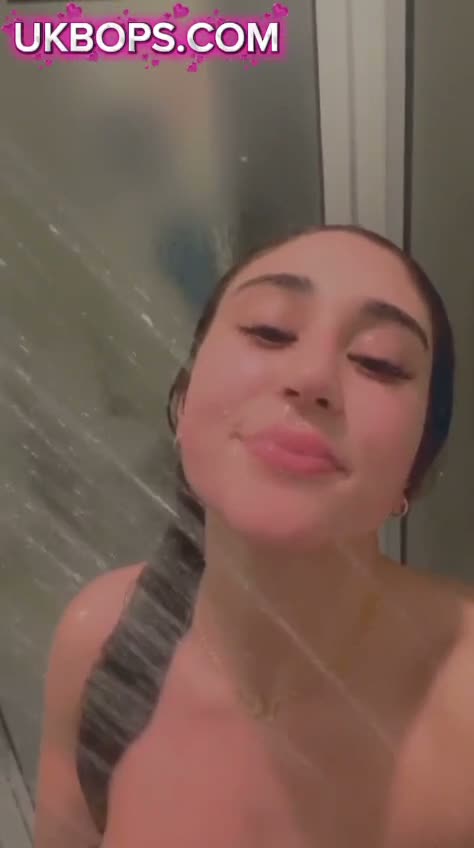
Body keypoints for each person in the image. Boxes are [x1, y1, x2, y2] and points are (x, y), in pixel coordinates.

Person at [34, 224, 473, 848]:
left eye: (379, 361)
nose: (312, 376)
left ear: (416, 468)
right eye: (269, 330)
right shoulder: (97, 642)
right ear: (183, 401)